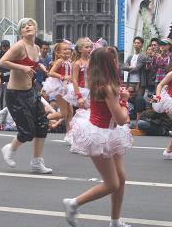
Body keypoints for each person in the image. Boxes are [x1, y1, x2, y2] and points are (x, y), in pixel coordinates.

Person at [63, 47, 132, 227]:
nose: (117, 63)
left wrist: (121, 98)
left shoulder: (102, 80)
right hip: (100, 136)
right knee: (112, 184)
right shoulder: (107, 87)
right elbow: (121, 118)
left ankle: (115, 221)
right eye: (114, 60)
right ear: (108, 64)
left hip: (109, 132)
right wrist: (125, 102)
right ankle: (73, 203)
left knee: (121, 178)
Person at [0, 18, 52, 174]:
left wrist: (40, 66)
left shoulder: (35, 47)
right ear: (21, 32)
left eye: (30, 24)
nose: (27, 26)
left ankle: (37, 162)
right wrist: (22, 67)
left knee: (42, 125)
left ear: (35, 28)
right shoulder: (19, 46)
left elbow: (33, 63)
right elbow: (2, 61)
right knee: (27, 131)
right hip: (16, 94)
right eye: (24, 26)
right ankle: (10, 148)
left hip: (31, 92)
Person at [42, 41, 73, 144]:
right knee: (64, 113)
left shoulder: (69, 61)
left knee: (70, 113)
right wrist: (63, 77)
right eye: (65, 49)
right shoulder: (59, 61)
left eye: (69, 49)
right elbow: (51, 73)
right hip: (59, 87)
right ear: (58, 52)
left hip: (68, 87)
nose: (67, 51)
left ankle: (69, 135)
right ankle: (42, 119)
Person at [63, 38, 92, 109]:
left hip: (92, 91)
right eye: (86, 47)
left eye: (90, 47)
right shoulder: (77, 63)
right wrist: (79, 96)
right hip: (82, 91)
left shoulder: (92, 61)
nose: (89, 49)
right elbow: (74, 80)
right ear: (80, 50)